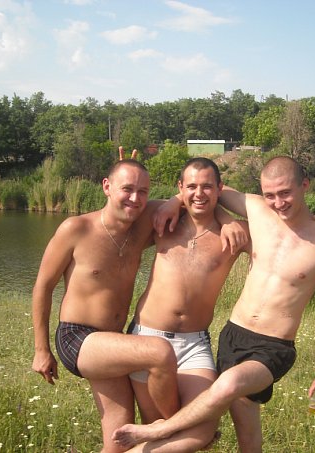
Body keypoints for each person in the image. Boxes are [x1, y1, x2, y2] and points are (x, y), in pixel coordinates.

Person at [112, 156, 315, 453]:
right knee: (248, 437)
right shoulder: (258, 213)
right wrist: (176, 201)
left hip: (274, 345)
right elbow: (207, 192)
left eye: (285, 193)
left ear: (305, 185)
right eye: (270, 195)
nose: (278, 203)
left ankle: (158, 429)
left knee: (227, 385)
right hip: (233, 336)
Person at [31, 153, 245, 453]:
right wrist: (41, 349)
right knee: (159, 353)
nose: (135, 198)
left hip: (116, 342)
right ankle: (169, 426)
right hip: (78, 336)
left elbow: (195, 199)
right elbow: (43, 287)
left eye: (143, 191)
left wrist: (226, 218)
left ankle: (165, 430)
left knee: (117, 441)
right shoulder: (76, 228)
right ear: (107, 186)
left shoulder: (145, 223)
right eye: (127, 189)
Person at [125, 157, 249, 452]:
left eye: (207, 186)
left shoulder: (236, 233)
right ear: (180, 187)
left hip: (194, 345)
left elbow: (282, 232)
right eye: (191, 187)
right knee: (157, 427)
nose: (199, 193)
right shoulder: (162, 219)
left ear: (220, 189)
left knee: (202, 430)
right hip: (148, 338)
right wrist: (173, 202)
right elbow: (118, 214)